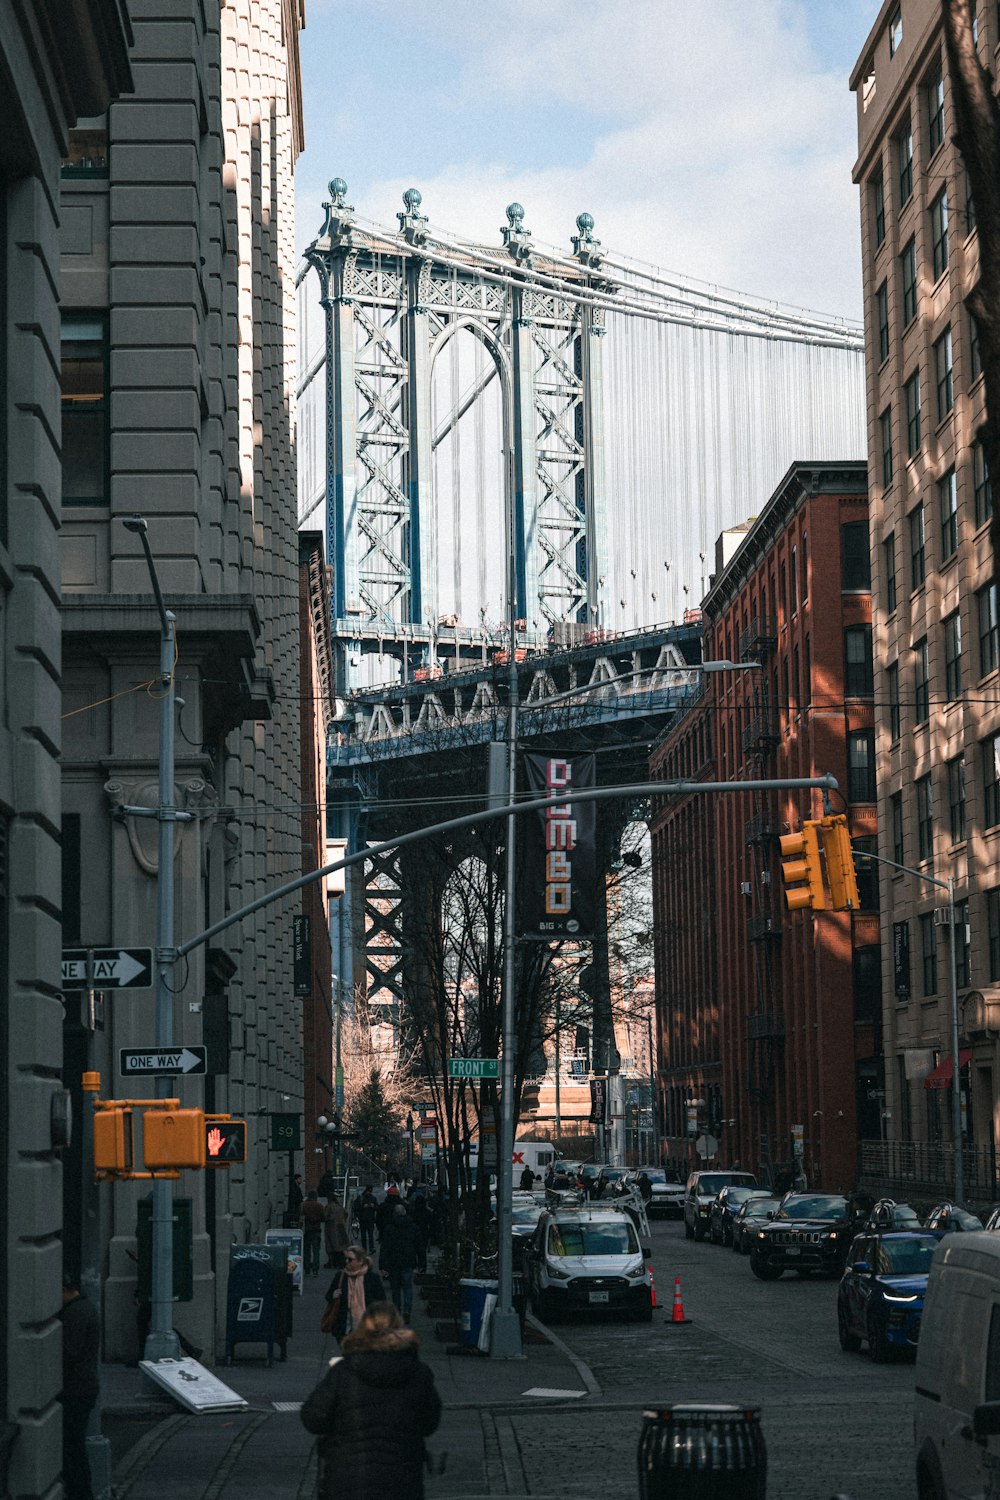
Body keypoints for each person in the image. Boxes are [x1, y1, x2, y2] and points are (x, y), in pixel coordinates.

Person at [301, 1301, 441, 1500]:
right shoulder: (418, 1373)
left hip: (348, 1479)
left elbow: (313, 1418)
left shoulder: (344, 1372)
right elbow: (429, 1423)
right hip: (402, 1478)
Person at [61, 1273, 100, 1500]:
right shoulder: (83, 1308)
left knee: (73, 1448)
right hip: (83, 1387)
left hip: (77, 1389)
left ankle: (80, 1494)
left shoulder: (76, 1312)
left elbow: (70, 1352)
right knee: (74, 1446)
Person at [323, 1245, 386, 1341]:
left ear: (360, 1261)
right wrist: (333, 1295)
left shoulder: (372, 1278)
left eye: (350, 1259)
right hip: (343, 1329)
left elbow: (382, 1302)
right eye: (346, 1259)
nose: (346, 1262)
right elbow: (328, 1296)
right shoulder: (340, 1277)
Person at [380, 1202, 419, 1322]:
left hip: (394, 1262)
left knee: (395, 1289)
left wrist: (382, 1265)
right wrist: (422, 1262)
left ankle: (397, 1311)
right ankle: (407, 1310)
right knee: (407, 1287)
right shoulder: (413, 1226)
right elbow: (419, 1245)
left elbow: (385, 1247)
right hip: (408, 1260)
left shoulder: (390, 1227)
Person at [300, 1190, 326, 1276]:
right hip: (316, 1230)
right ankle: (315, 1269)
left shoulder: (304, 1205)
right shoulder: (319, 1205)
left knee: (306, 1251)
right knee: (316, 1251)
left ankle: (307, 1269)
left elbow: (300, 1215)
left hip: (306, 1230)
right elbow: (323, 1217)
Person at [324, 1195, 349, 1269]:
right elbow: (346, 1213)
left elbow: (325, 1216)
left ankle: (332, 1261)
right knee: (341, 1244)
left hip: (331, 1227)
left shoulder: (329, 1206)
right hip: (341, 1226)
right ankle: (341, 1262)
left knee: (331, 1245)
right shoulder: (340, 1207)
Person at [354, 1185, 378, 1253]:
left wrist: (373, 1206)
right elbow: (356, 1207)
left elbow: (377, 1207)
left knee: (369, 1234)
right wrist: (363, 1207)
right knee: (366, 1235)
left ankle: (369, 1248)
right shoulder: (362, 1198)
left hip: (368, 1218)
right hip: (365, 1219)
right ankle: (367, 1248)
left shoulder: (371, 1198)